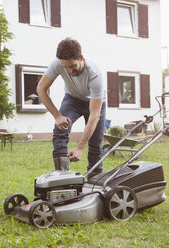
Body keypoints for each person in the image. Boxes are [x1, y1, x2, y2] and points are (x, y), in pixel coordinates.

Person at [36, 37, 106, 178]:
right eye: (65, 67)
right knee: (60, 130)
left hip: (95, 103)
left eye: (72, 66)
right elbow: (41, 89)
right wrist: (57, 116)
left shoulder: (95, 73)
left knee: (95, 144)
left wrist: (80, 147)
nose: (69, 71)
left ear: (80, 58)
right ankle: (62, 177)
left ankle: (95, 180)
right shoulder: (57, 64)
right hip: (73, 99)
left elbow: (94, 115)